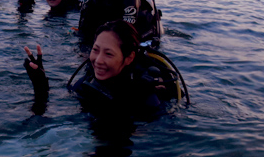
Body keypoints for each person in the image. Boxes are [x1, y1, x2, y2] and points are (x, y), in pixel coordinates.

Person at [23, 21, 187, 118]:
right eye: (95, 50)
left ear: (129, 58)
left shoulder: (144, 97)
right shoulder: (87, 83)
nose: (98, 60)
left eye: (108, 53)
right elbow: (50, 116)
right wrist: (41, 87)